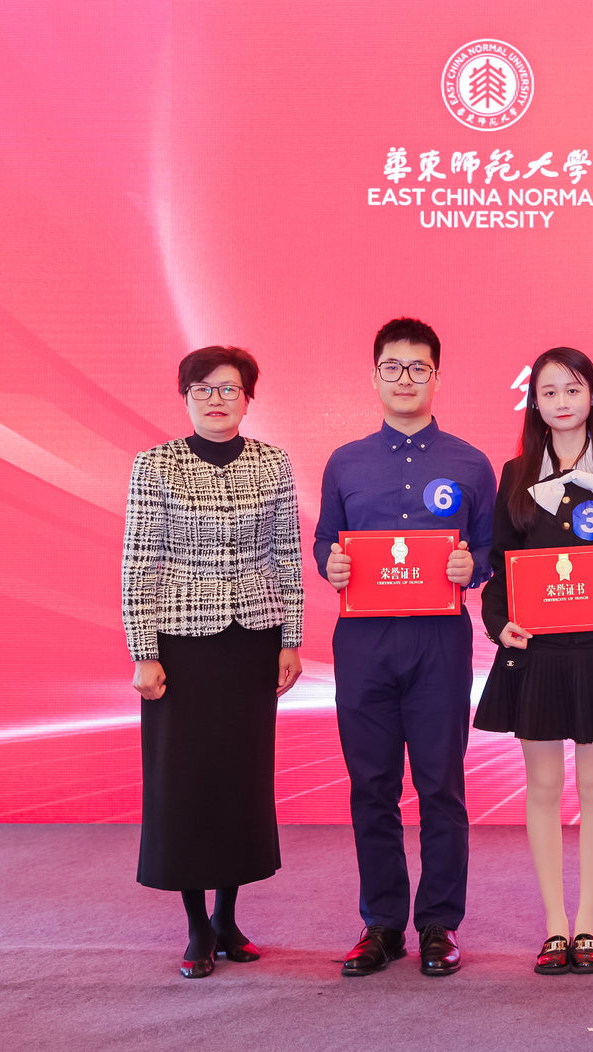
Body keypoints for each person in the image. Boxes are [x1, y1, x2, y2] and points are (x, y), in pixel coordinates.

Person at [315, 317, 496, 978]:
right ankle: (383, 923)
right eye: (393, 367)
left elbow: (489, 551)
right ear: (375, 377)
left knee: (440, 785)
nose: (405, 379)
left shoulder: (471, 463)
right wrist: (331, 565)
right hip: (363, 642)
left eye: (418, 368)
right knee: (372, 785)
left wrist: (472, 567)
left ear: (436, 377)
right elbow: (326, 539)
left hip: (438, 642)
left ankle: (440, 924)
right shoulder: (345, 462)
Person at [122, 345, 305, 979]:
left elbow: (286, 555)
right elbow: (139, 561)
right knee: (184, 782)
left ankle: (228, 917)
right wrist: (143, 651)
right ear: (186, 397)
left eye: (229, 388)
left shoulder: (273, 463)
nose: (216, 399)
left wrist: (290, 638)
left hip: (252, 643)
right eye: (202, 389)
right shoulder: (156, 464)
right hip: (180, 648)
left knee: (239, 781)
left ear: (247, 398)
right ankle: (196, 925)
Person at [474, 347, 593, 975]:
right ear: (535, 402)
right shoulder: (515, 472)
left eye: (573, 389)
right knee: (544, 788)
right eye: (549, 392)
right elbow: (499, 568)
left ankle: (588, 925)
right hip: (539, 653)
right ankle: (555, 926)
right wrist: (500, 623)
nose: (561, 402)